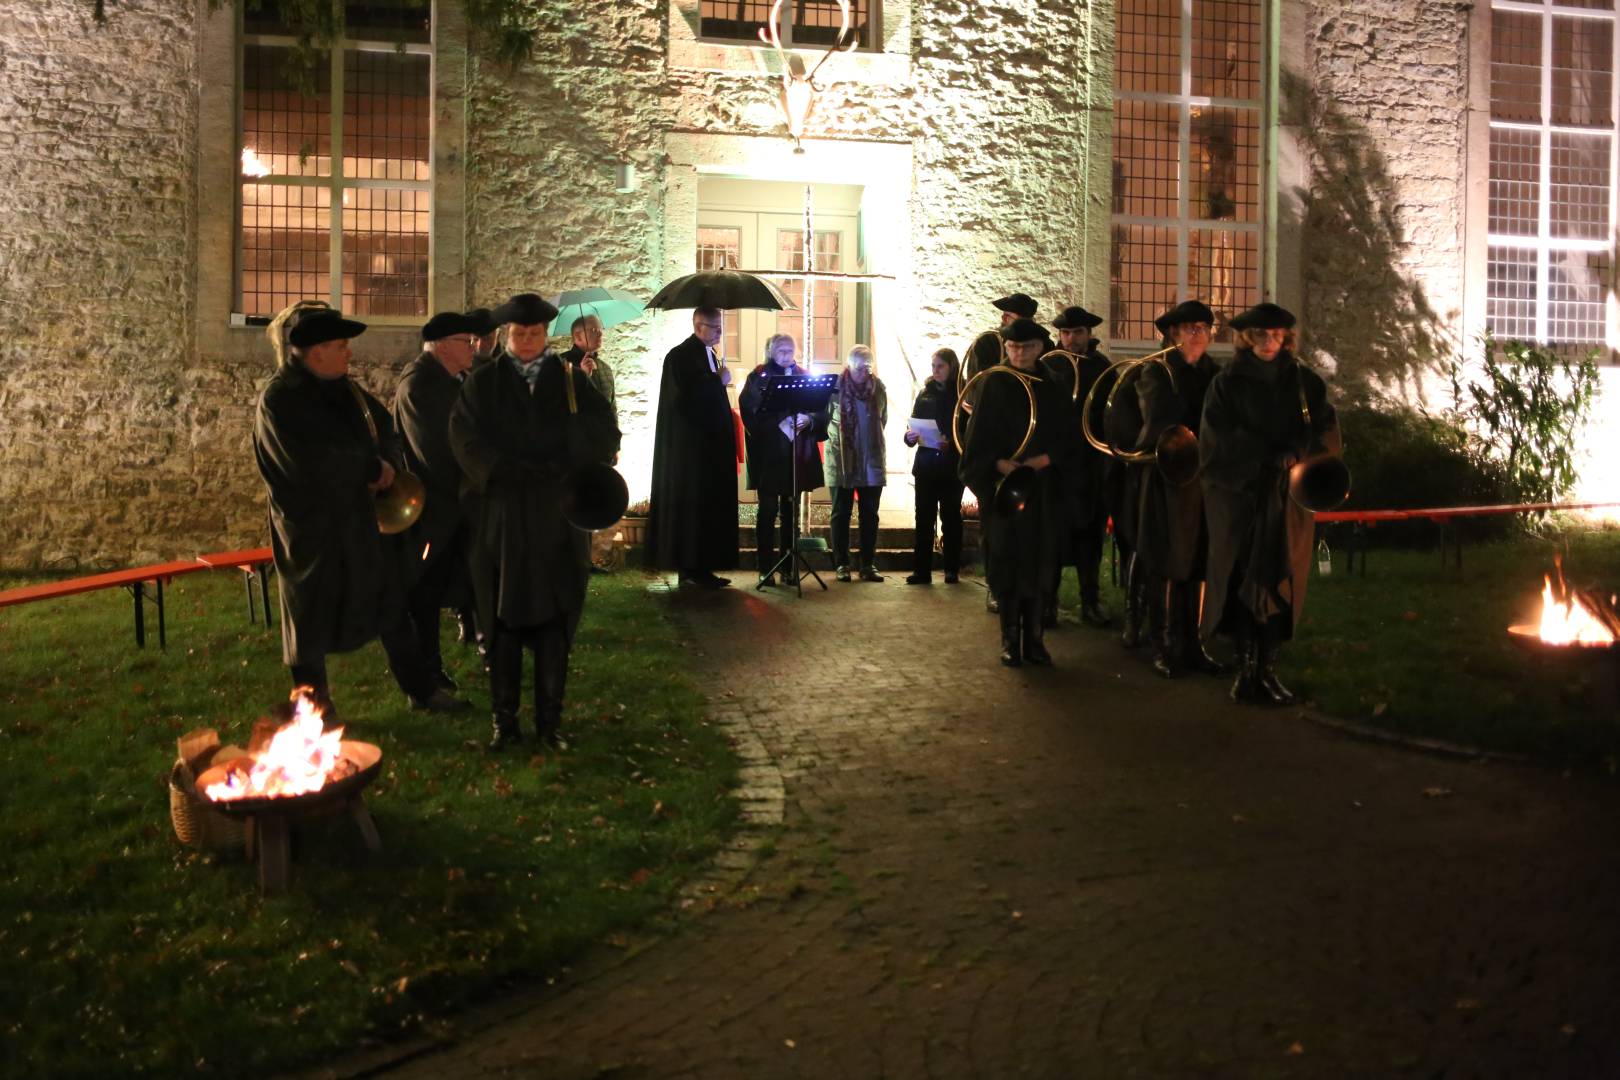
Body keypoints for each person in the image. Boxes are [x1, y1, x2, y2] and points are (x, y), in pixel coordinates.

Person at [252, 302, 463, 714]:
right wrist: (368, 469)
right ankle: (315, 712)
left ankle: (421, 690)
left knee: (390, 604)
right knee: (308, 622)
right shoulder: (280, 401)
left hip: (359, 523)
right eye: (341, 345)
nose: (350, 352)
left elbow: (383, 427)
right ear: (316, 352)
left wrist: (386, 462)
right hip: (311, 532)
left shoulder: (345, 388)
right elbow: (306, 463)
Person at [449, 292, 621, 750]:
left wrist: (570, 455)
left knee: (554, 621)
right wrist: (502, 469)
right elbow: (464, 439)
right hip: (503, 521)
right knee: (501, 622)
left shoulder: (569, 381)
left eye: (535, 334)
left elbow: (605, 432)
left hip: (556, 519)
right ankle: (504, 723)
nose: (527, 341)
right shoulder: (483, 385)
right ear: (507, 335)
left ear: (547, 336)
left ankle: (550, 723)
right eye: (519, 334)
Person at [1200, 302, 1341, 705]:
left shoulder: (1304, 383)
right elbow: (1216, 439)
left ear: (1286, 338)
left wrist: (1298, 452)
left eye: (1276, 335)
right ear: (1247, 338)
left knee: (1282, 582)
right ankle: (1245, 672)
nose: (1268, 341)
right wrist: (1263, 454)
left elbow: (1322, 427)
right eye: (1260, 334)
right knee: (1247, 583)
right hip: (1244, 499)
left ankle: (1268, 670)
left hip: (1289, 499)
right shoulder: (1227, 384)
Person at [960, 318, 1074, 666]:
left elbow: (1068, 437)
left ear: (1040, 348)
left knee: (1038, 564)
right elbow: (976, 442)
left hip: (1040, 491)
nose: (1019, 353)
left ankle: (1035, 639)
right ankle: (1010, 639)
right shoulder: (994, 383)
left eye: (1026, 347)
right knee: (1008, 563)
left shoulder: (1052, 385)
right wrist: (998, 465)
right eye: (1013, 347)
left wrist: (1045, 459)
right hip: (1005, 492)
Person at [1133, 300, 1227, 679]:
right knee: (1167, 561)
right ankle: (1163, 644)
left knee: (1198, 561)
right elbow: (1158, 419)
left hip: (1202, 481)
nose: (1197, 335)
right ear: (1173, 334)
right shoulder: (1157, 372)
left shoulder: (1215, 374)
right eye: (1189, 328)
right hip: (1168, 481)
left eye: (1203, 328)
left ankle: (1194, 643)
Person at [393, 310, 481, 693]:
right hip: (432, 511)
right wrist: (474, 480)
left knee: (445, 589)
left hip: (451, 508)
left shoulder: (448, 380)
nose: (473, 347)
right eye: (466, 341)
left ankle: (434, 669)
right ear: (444, 345)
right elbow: (436, 452)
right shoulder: (420, 386)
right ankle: (424, 674)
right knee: (424, 599)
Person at [647, 307, 738, 587]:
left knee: (708, 508)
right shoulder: (680, 356)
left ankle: (704, 567)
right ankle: (691, 567)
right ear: (699, 327)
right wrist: (717, 381)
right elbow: (685, 400)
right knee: (693, 509)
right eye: (715, 327)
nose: (720, 333)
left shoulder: (708, 354)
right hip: (690, 452)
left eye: (721, 327)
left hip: (709, 450)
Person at [1041, 305, 1112, 627]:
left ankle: (1090, 599)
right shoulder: (1049, 366)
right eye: (1066, 333)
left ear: (1088, 334)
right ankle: (1048, 603)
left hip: (1090, 465)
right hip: (1056, 468)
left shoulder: (1102, 368)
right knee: (1053, 537)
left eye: (1077, 333)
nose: (1071, 339)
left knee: (1089, 536)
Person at [739, 334, 826, 586]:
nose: (786, 354)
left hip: (797, 455)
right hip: (770, 454)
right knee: (767, 510)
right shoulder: (759, 376)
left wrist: (810, 420)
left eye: (790, 350)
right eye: (781, 350)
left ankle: (789, 568)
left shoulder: (805, 375)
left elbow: (821, 410)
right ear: (770, 352)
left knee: (791, 512)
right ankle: (765, 568)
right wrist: (777, 423)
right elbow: (750, 411)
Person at [561, 313, 619, 573]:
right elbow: (561, 405)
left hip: (600, 448)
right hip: (575, 449)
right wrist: (579, 376)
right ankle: (572, 558)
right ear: (577, 336)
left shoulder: (605, 368)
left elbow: (611, 407)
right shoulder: (562, 366)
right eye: (593, 330)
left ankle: (589, 558)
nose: (600, 334)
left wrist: (615, 444)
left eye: (600, 329)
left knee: (594, 501)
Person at [825, 344, 888, 582]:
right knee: (841, 512)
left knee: (869, 513)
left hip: (871, 459)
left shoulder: (878, 389)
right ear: (849, 367)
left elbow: (883, 419)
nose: (865, 372)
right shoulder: (835, 389)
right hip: (843, 460)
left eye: (868, 367)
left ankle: (867, 564)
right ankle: (841, 563)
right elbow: (824, 421)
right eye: (860, 368)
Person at [902, 348, 964, 585]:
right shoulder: (925, 393)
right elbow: (914, 423)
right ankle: (922, 570)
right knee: (924, 518)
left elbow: (967, 429)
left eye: (940, 366)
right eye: (933, 366)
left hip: (950, 466)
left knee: (950, 517)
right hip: (926, 465)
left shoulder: (961, 394)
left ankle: (951, 569)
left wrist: (953, 443)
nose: (935, 371)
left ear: (951, 367)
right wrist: (909, 436)